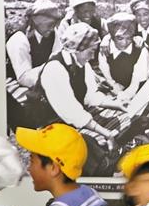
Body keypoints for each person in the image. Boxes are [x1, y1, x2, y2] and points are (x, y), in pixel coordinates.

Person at [36, 23, 125, 163]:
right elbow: (72, 112)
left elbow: (90, 96)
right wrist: (106, 134)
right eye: (91, 51)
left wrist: (116, 104)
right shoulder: (55, 69)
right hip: (52, 125)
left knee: (123, 119)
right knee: (94, 146)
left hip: (75, 118)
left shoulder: (82, 64)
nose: (92, 56)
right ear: (77, 49)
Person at [5, 0, 64, 131]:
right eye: (49, 24)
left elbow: (57, 57)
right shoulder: (19, 39)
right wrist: (50, 71)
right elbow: (23, 77)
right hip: (14, 82)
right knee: (31, 106)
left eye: (55, 24)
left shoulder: (53, 35)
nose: (52, 28)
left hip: (39, 78)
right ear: (37, 22)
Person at [98, 12, 149, 103]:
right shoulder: (105, 49)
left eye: (129, 38)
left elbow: (136, 83)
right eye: (120, 38)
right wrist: (117, 92)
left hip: (137, 91)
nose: (124, 43)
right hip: (112, 91)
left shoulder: (140, 50)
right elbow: (108, 79)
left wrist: (125, 96)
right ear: (112, 37)